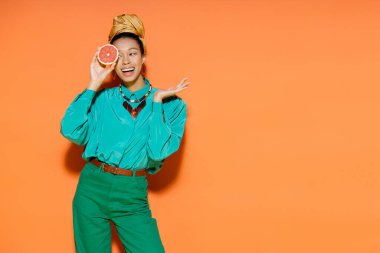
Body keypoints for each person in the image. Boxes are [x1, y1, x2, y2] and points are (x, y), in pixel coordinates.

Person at [60, 13, 189, 253]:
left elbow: (158, 151)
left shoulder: (172, 105)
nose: (126, 62)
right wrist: (92, 84)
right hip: (91, 188)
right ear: (110, 61)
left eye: (132, 53)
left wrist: (157, 102)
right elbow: (70, 130)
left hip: (131, 194)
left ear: (143, 58)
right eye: (118, 56)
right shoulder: (100, 99)